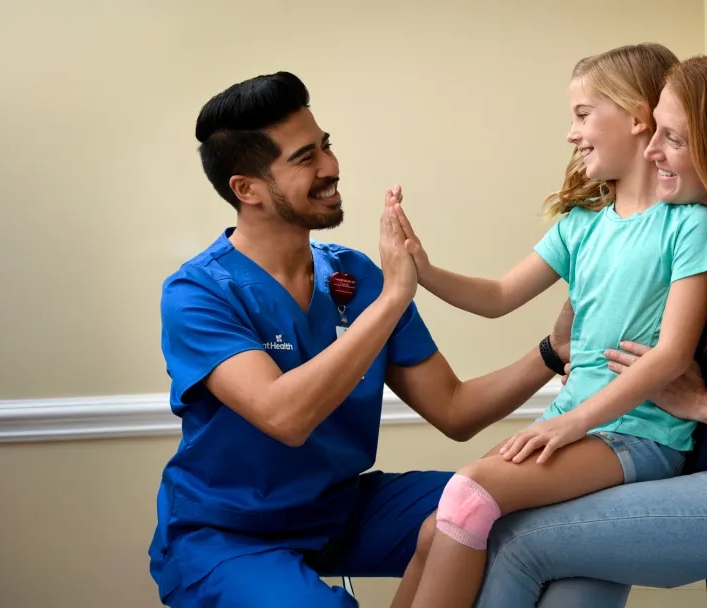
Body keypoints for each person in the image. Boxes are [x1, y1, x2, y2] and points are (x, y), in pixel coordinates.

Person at [147, 71, 574, 607]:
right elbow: (285, 417)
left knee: (498, 509)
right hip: (229, 534)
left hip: (340, 509)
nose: (330, 167)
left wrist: (551, 352)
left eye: (325, 146)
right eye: (305, 158)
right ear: (246, 189)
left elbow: (455, 410)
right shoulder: (197, 293)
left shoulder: (353, 277)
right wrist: (395, 297)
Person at [464, 51, 707, 608]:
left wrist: (702, 404)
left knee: (518, 539)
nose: (652, 151)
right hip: (700, 468)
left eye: (671, 138)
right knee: (571, 589)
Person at [390, 43, 707, 608]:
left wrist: (569, 427)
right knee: (434, 529)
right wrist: (421, 269)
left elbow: (671, 355)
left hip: (639, 433)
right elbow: (497, 297)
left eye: (582, 114)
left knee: (468, 499)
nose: (571, 133)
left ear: (638, 117)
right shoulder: (580, 226)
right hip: (572, 425)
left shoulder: (688, 224)